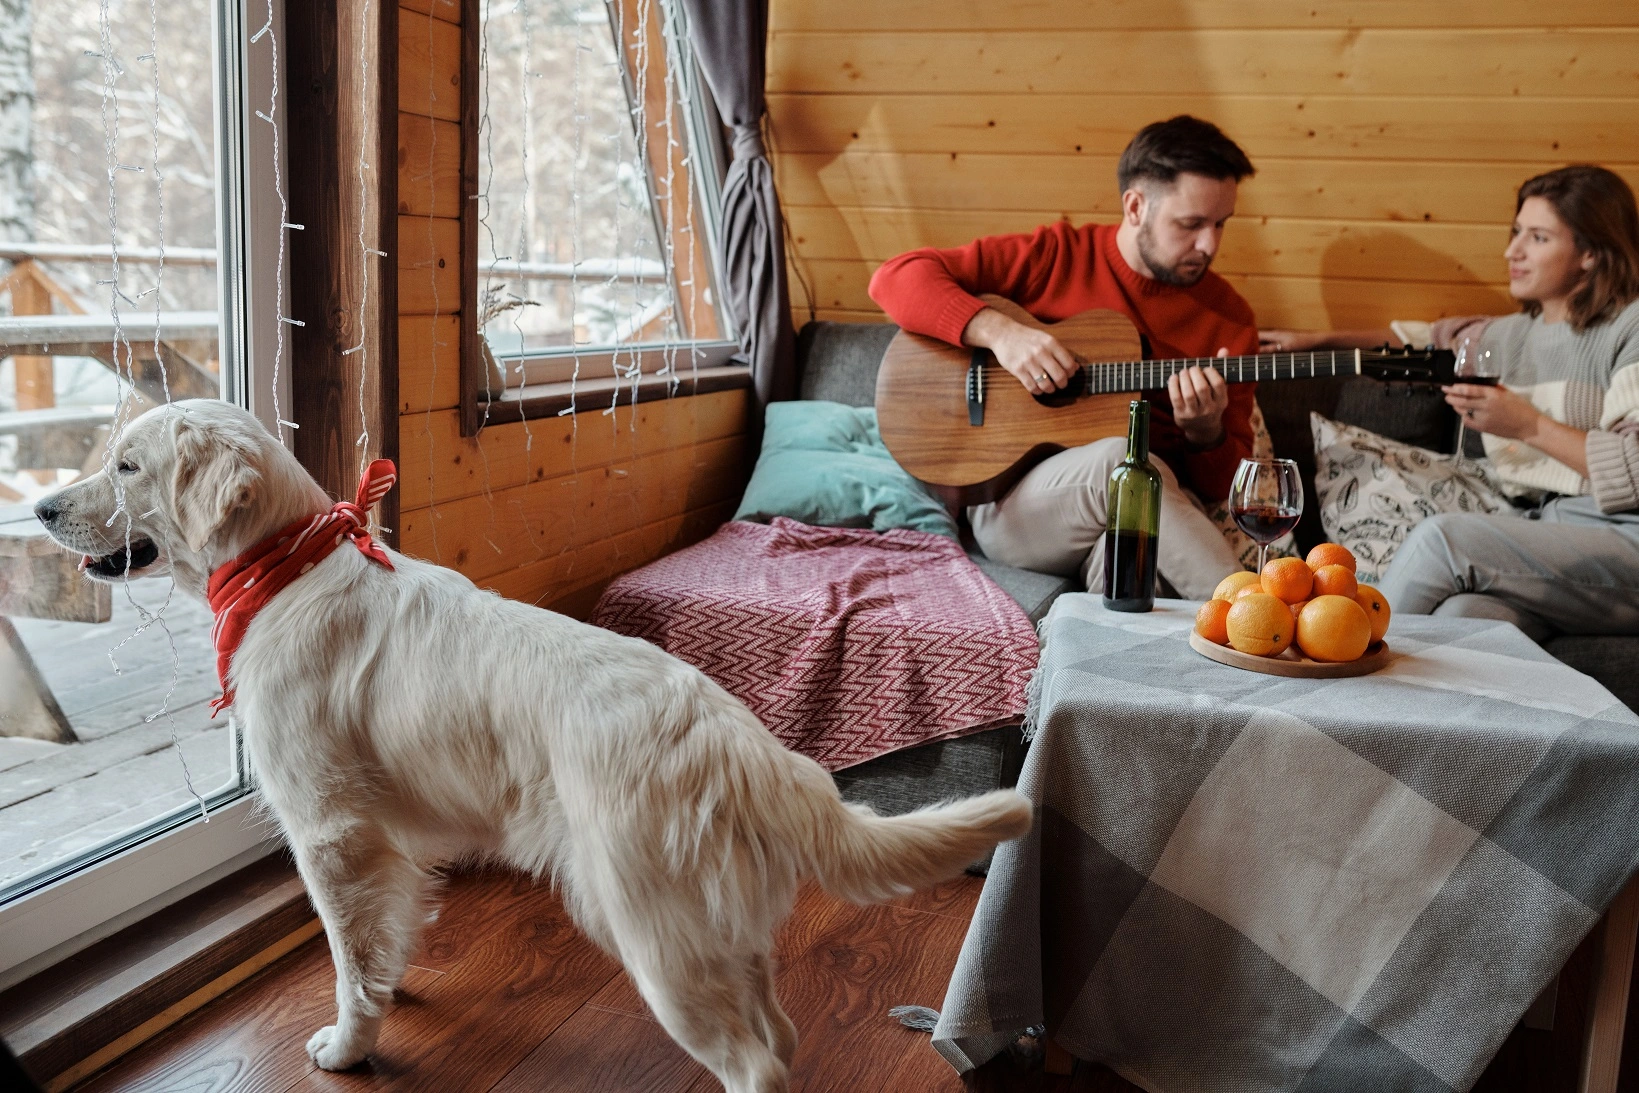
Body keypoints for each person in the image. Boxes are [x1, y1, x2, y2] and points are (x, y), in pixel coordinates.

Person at [868, 116, 1257, 598]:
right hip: (1013, 505)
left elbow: (1224, 488)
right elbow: (895, 277)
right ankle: (1257, 620)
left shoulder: (1231, 320)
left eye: (1221, 224)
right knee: (1123, 462)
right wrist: (1001, 334)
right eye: (1191, 224)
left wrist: (1205, 431)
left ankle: (1101, 671)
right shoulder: (1054, 256)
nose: (1210, 244)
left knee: (1130, 567)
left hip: (1146, 512)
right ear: (1135, 207)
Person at [1268, 165, 1639, 639]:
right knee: (1461, 620)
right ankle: (1374, 712)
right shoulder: (1506, 335)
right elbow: (1420, 336)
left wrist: (1528, 425)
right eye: (1516, 232)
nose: (1513, 251)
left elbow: (1633, 466)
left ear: (1590, 252)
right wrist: (1320, 337)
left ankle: (1335, 658)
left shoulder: (1630, 327)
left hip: (1622, 537)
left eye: (1539, 238)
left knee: (1444, 539)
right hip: (1549, 535)